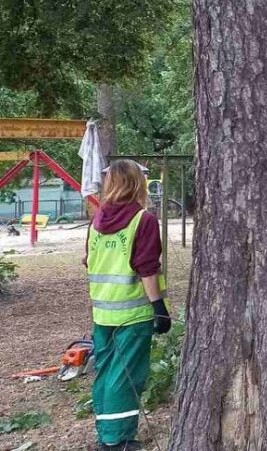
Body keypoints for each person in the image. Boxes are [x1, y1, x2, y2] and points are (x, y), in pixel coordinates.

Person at [85, 159, 171, 450]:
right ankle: (117, 439)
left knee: (107, 371)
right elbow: (146, 267)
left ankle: (105, 431)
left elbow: (88, 259)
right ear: (137, 184)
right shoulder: (142, 219)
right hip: (132, 314)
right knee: (127, 377)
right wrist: (158, 307)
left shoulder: (97, 219)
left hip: (102, 312)